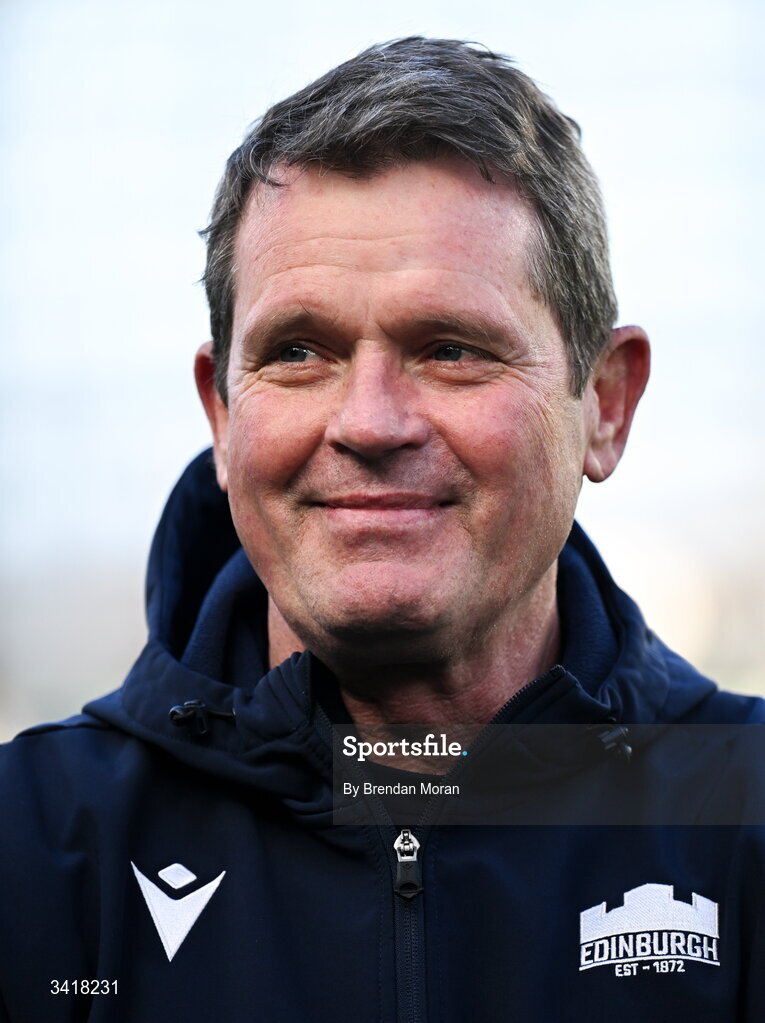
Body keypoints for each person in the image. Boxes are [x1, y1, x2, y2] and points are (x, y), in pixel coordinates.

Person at [1, 36, 763, 1022]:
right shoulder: (34, 844)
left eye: (450, 348)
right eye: (298, 351)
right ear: (222, 414)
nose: (367, 422)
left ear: (605, 405)